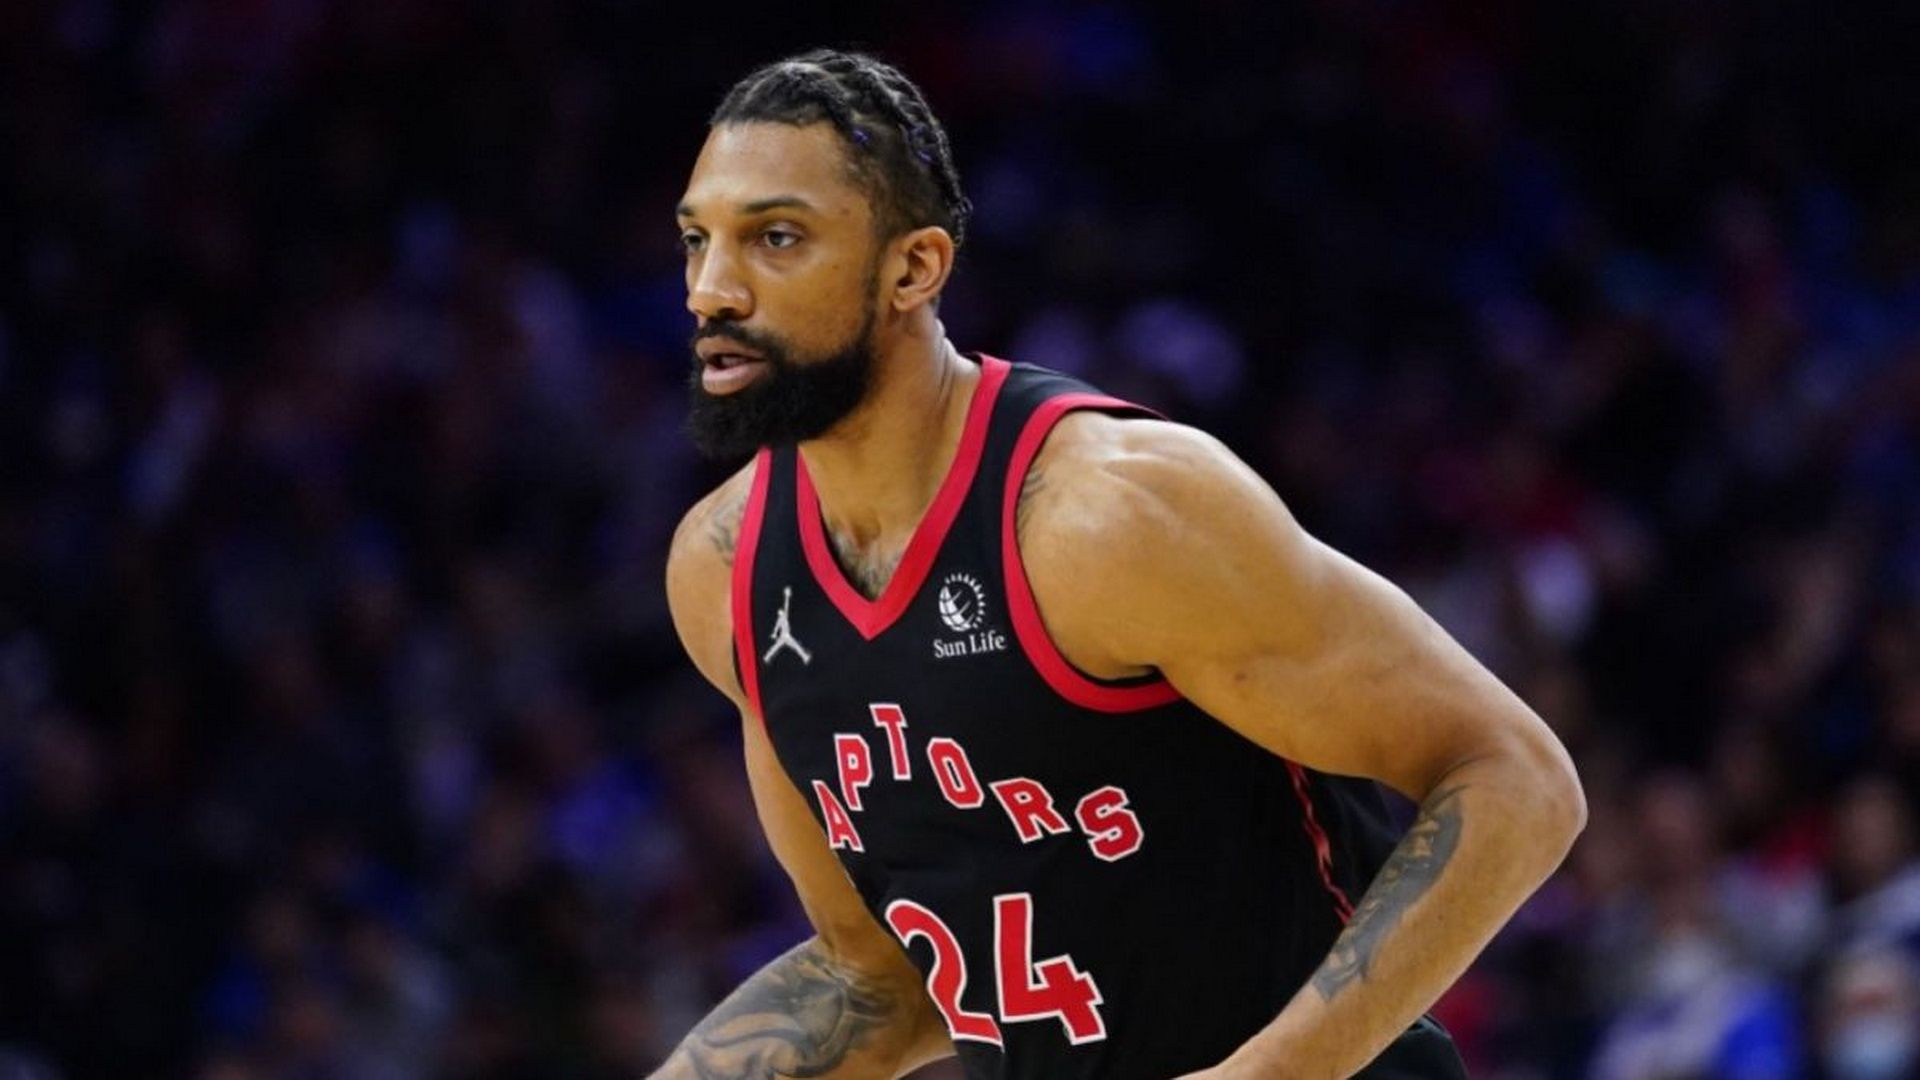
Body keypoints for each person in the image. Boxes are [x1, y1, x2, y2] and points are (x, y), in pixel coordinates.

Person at [655, 49, 1585, 1079]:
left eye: (775, 238)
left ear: (912, 269)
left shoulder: (1109, 515)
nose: (711, 289)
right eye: (698, 239)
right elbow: (875, 979)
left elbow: (1516, 776)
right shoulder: (727, 575)